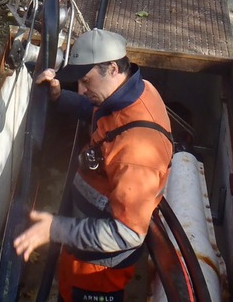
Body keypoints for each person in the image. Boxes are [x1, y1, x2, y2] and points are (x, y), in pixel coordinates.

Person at [13, 29, 173, 302]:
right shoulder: (133, 92)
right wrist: (59, 96)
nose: (82, 90)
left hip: (99, 270)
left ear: (112, 68)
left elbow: (128, 234)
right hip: (82, 240)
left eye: (86, 81)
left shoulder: (137, 150)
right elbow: (100, 113)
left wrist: (55, 229)